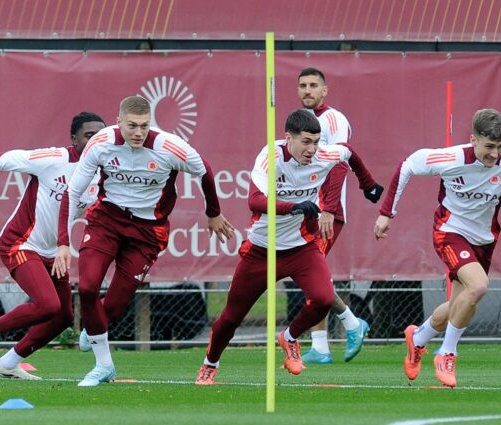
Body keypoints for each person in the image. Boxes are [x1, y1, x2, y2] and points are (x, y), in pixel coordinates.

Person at [54, 96, 235, 387]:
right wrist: (63, 243)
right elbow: (72, 193)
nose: (138, 132)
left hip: (147, 231)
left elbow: (204, 170)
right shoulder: (100, 143)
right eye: (132, 126)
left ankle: (94, 328)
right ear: (118, 122)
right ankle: (104, 366)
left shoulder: (168, 146)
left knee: (113, 306)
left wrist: (213, 213)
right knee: (87, 287)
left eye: (144, 126)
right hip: (106, 221)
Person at [194, 110, 383, 385]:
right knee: (231, 317)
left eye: (316, 141)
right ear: (288, 139)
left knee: (323, 297)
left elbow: (349, 153)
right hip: (262, 250)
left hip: (302, 248)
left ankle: (289, 337)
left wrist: (368, 184)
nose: (312, 149)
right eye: (306, 142)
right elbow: (255, 201)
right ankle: (209, 365)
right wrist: (292, 207)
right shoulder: (272, 157)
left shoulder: (325, 154)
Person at [0, 112, 106, 379]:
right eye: (89, 135)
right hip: (20, 243)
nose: (96, 141)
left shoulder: (102, 174)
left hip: (53, 252)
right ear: (74, 139)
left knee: (63, 316)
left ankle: (8, 363)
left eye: (101, 136)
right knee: (47, 305)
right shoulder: (53, 159)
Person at [374, 109, 501, 388]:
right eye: (488, 147)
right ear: (473, 140)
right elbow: (408, 165)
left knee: (461, 301)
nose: (495, 154)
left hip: (484, 240)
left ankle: (418, 338)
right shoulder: (451, 158)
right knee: (479, 286)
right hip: (449, 232)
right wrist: (387, 213)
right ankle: (447, 353)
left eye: (500, 146)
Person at [291, 67, 372, 365]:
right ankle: (324, 345)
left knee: (311, 275)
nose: (307, 90)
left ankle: (349, 327)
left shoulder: (333, 119)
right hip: (307, 212)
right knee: (313, 276)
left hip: (327, 213)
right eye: (302, 85)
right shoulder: (301, 124)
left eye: (313, 85)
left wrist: (329, 208)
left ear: (325, 90)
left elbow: (339, 165)